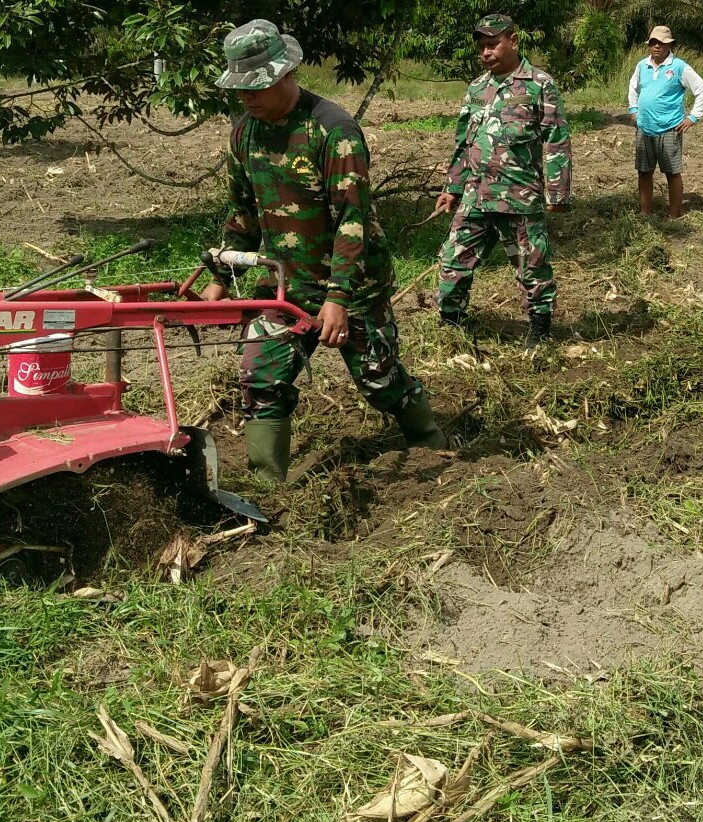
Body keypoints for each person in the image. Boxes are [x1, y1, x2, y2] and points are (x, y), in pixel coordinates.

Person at [199, 19, 446, 482]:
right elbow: (243, 212)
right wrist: (218, 275)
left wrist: (338, 299)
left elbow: (353, 221)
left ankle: (433, 444)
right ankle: (265, 485)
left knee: (380, 381)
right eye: (241, 88)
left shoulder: (333, 131)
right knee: (261, 379)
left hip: (352, 284)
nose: (247, 97)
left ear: (287, 73)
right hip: (283, 285)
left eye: (258, 86)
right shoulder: (243, 134)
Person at [433, 14, 572, 350]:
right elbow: (464, 142)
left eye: (492, 44)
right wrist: (453, 187)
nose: (486, 52)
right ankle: (451, 323)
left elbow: (557, 140)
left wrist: (558, 192)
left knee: (532, 266)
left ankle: (539, 330)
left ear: (513, 41)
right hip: (475, 194)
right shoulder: (477, 88)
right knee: (453, 261)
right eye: (482, 46)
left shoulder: (540, 84)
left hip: (518, 194)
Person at [628, 26, 703, 219]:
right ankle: (644, 212)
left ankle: (674, 215)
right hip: (644, 127)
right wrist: (633, 111)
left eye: (661, 43)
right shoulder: (642, 66)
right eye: (653, 42)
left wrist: (692, 118)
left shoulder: (679, 67)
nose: (656, 46)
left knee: (672, 173)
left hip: (669, 129)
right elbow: (633, 88)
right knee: (644, 172)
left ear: (670, 45)